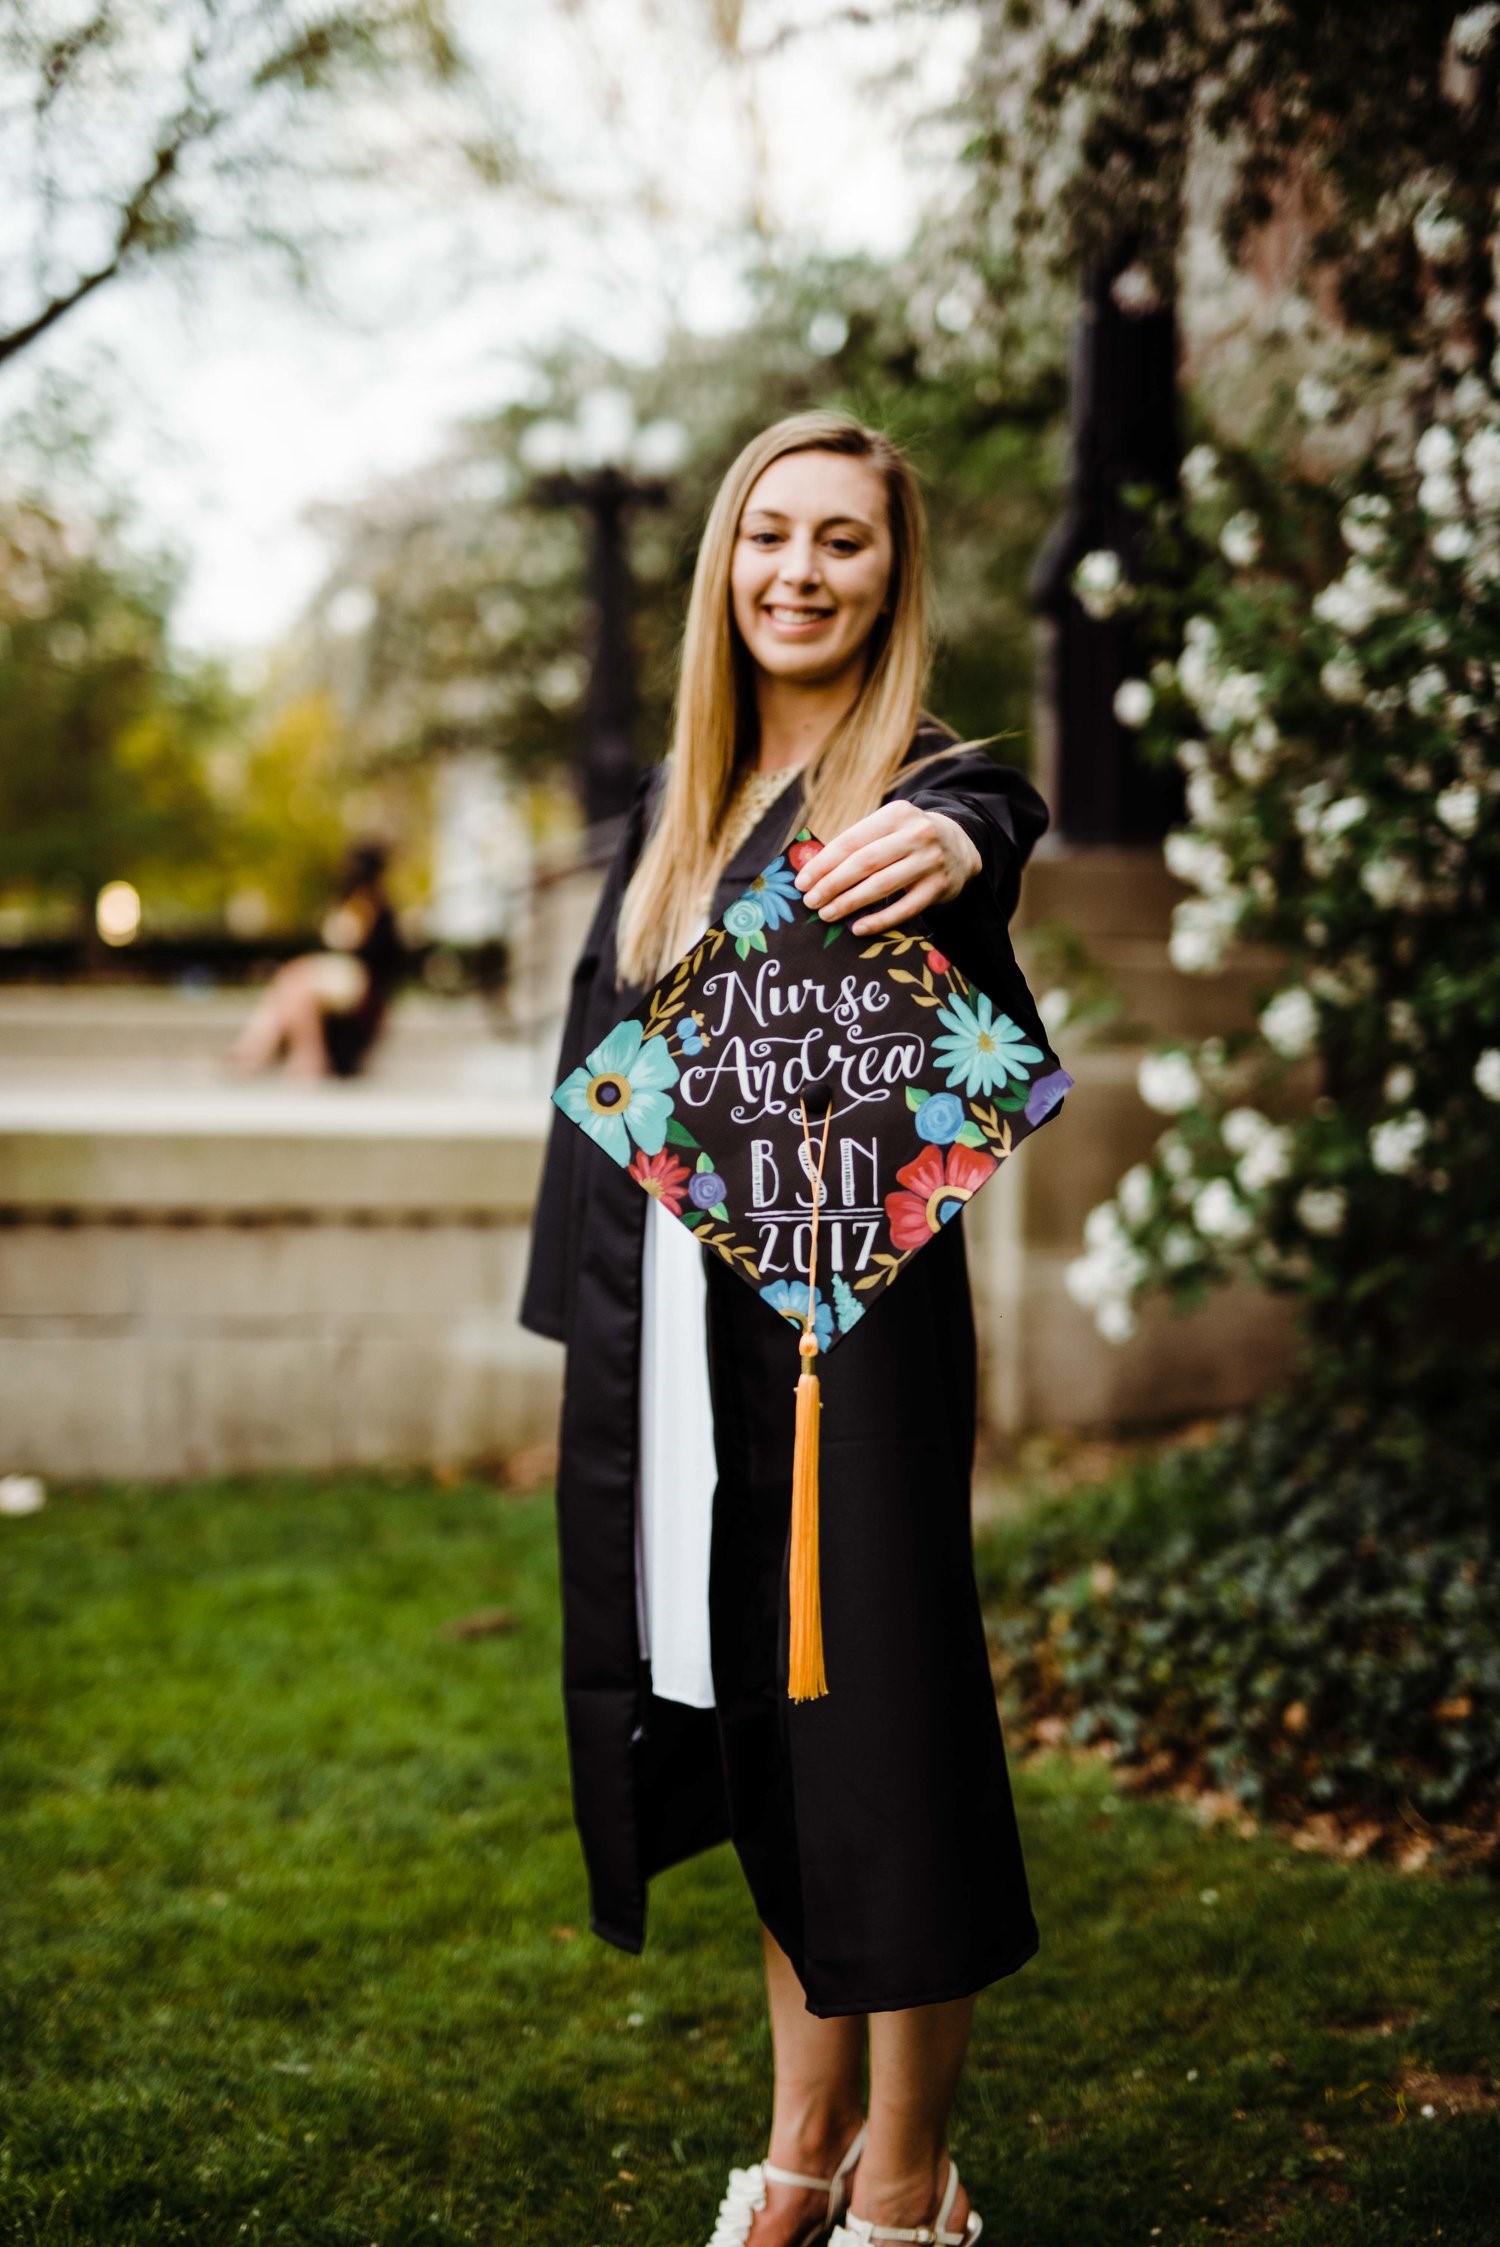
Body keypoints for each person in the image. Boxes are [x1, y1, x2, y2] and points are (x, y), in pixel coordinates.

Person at [519, 411, 1053, 2247]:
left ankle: (913, 2174)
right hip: (679, 1358)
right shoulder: (685, 800)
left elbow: (987, 827)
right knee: (759, 1722)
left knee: (880, 1718)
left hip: (849, 1349)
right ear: (723, 563)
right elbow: (603, 1086)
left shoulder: (915, 782)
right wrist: (582, 1346)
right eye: (769, 533)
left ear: (893, 573)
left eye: (842, 540)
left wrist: (964, 833)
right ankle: (804, 2135)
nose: (799, 571)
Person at [227, 841, 403, 1080]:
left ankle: (284, 1052)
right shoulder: (345, 905)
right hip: (332, 979)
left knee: (296, 981)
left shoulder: (380, 912)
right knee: (294, 984)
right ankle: (269, 1050)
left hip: (355, 983)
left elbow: (379, 962)